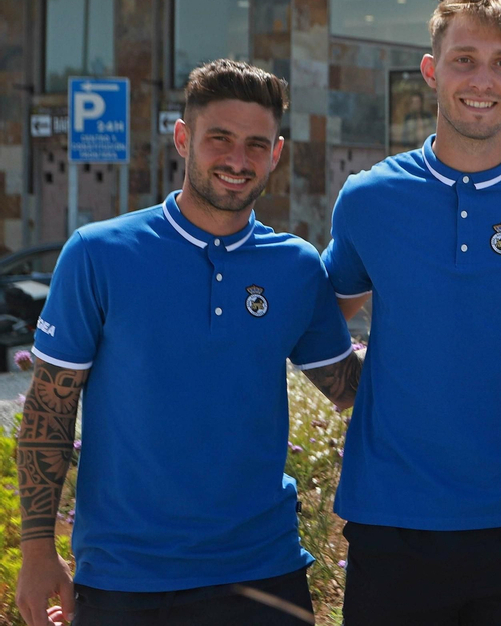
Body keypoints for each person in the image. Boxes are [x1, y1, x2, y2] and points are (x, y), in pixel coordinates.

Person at [15, 59, 358, 626]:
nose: (237, 160)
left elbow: (352, 392)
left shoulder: (296, 268)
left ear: (276, 154)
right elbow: (50, 410)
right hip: (126, 580)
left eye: (256, 144)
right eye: (219, 138)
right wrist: (35, 551)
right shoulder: (98, 254)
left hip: (265, 574)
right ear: (183, 139)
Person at [324, 0, 501, 626]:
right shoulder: (370, 199)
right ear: (431, 70)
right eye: (464, 59)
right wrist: (355, 386)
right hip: (394, 524)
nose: (482, 79)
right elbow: (323, 316)